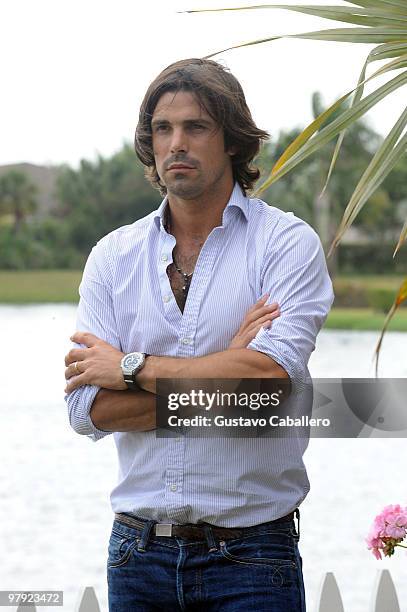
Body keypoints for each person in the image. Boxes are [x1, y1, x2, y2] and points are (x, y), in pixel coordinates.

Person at [64, 58, 334, 611]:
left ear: (233, 140)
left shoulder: (284, 244)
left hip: (254, 559)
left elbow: (268, 389)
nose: (176, 144)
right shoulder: (114, 258)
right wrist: (225, 368)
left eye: (196, 127)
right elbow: (86, 410)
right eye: (163, 129)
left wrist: (131, 370)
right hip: (137, 558)